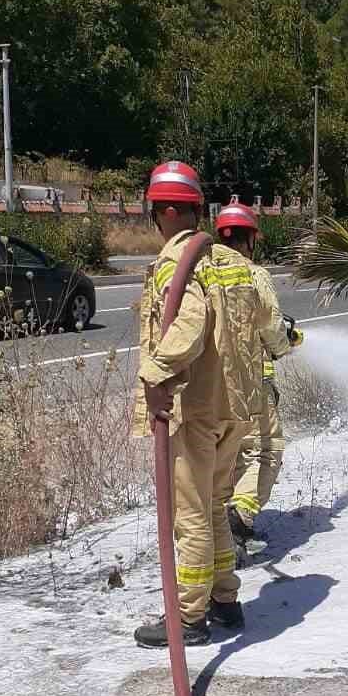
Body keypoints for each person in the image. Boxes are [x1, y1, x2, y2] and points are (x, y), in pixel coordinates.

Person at [133, 163, 263, 648]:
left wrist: (154, 374)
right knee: (213, 507)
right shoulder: (231, 262)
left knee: (190, 516)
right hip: (234, 409)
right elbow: (267, 326)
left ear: (166, 212)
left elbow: (186, 326)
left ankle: (188, 619)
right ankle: (227, 602)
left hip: (196, 409)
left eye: (153, 214)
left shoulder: (177, 263)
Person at [214, 202, 303, 549]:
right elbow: (270, 326)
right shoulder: (252, 273)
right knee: (265, 449)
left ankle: (223, 523)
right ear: (250, 238)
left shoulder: (202, 272)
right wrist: (284, 345)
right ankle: (241, 516)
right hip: (252, 381)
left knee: (230, 454)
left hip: (209, 384)